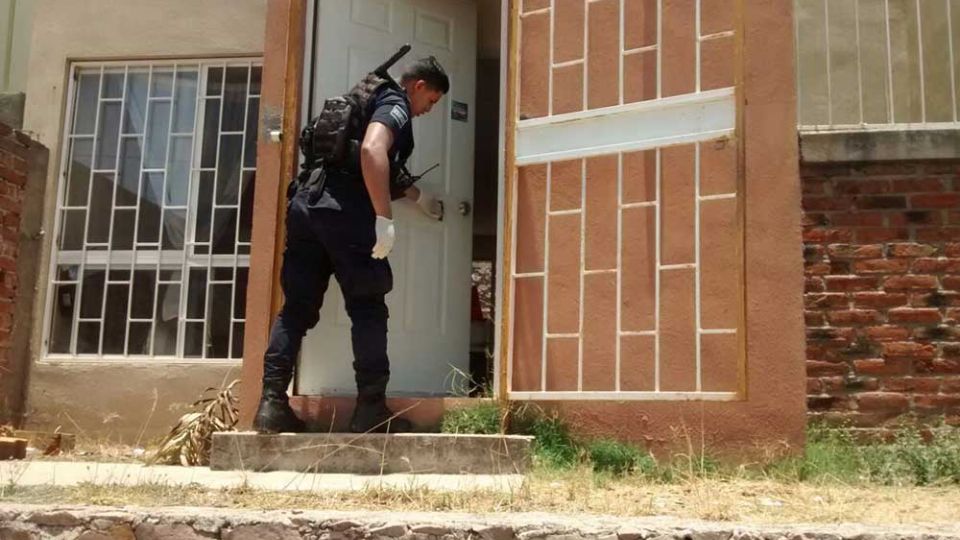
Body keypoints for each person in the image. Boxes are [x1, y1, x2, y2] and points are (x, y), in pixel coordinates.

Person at [253, 56, 450, 434]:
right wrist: (384, 219)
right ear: (419, 86)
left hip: (307, 205)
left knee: (295, 309)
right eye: (432, 101)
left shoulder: (362, 98)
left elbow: (370, 163)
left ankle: (271, 405)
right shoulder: (395, 103)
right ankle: (370, 409)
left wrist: (418, 196)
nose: (428, 110)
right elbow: (372, 151)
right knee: (368, 306)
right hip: (345, 213)